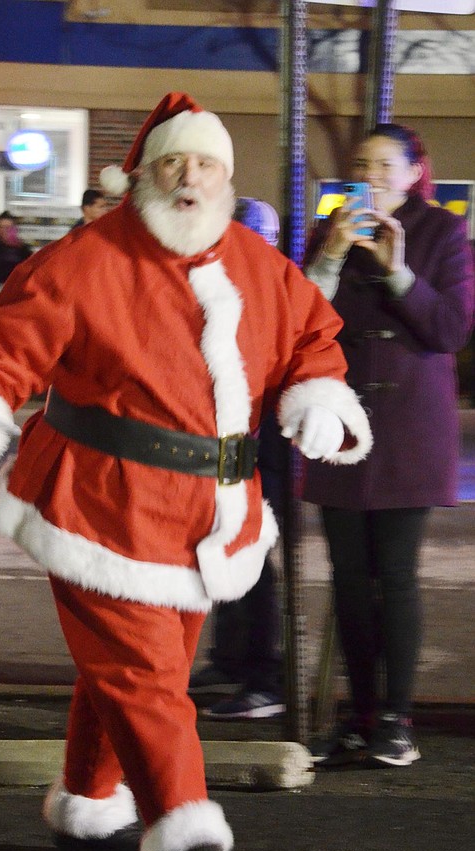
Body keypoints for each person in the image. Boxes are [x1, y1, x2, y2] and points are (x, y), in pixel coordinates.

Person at [0, 92, 372, 851]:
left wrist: (317, 390)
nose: (191, 176)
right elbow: (10, 336)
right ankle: (181, 825)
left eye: (207, 163)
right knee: (146, 674)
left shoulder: (253, 259)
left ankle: (91, 805)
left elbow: (312, 330)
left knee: (128, 672)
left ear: (227, 176)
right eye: (175, 161)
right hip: (99, 502)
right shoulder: (90, 256)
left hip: (211, 515)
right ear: (144, 174)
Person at [302, 123, 474, 768]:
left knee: (396, 577)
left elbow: (452, 328)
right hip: (341, 423)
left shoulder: (441, 230)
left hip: (408, 428)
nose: (371, 176)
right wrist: (328, 257)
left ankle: (397, 722)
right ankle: (360, 714)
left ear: (412, 173)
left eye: (384, 165)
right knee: (348, 578)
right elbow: (299, 316)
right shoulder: (334, 229)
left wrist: (399, 272)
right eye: (361, 165)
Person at [190, 198, 285, 719]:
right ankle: (231, 657)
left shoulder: (271, 283)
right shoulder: (220, 279)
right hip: (229, 435)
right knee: (220, 543)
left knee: (253, 556)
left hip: (263, 439)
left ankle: (263, 673)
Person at [0, 210, 32, 307]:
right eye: (2, 227)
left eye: (8, 228)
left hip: (19, 289)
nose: (5, 231)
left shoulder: (23, 249)